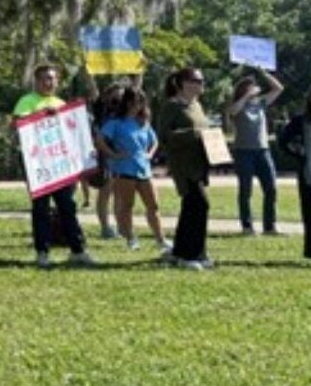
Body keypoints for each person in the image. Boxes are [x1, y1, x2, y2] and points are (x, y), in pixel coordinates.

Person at [12, 65, 96, 269]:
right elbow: (17, 124)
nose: (48, 83)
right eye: (44, 79)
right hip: (38, 166)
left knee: (67, 206)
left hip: (60, 166)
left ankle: (77, 250)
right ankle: (42, 251)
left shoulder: (61, 103)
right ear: (36, 81)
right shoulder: (27, 101)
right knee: (41, 209)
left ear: (57, 81)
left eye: (52, 79)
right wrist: (41, 114)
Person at [96, 87, 170, 253]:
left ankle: (161, 239)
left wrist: (150, 154)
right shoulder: (115, 122)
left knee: (154, 205)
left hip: (144, 169)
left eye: (141, 102)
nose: (138, 105)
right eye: (135, 101)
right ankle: (130, 238)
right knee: (127, 206)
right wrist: (113, 154)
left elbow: (155, 141)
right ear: (127, 102)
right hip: (124, 171)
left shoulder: (143, 122)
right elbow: (100, 140)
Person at [157, 67, 214, 270]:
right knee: (200, 205)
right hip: (183, 166)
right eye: (195, 80)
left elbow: (203, 130)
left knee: (191, 208)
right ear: (182, 83)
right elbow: (163, 136)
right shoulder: (171, 106)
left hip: (200, 164)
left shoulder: (197, 106)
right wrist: (193, 133)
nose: (199, 84)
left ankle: (180, 251)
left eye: (201, 81)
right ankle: (192, 255)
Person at [227, 69, 283, 236]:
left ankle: (270, 226)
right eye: (250, 87)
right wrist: (246, 97)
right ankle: (247, 226)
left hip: (263, 151)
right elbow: (233, 111)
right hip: (243, 152)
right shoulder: (238, 105)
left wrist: (264, 73)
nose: (254, 90)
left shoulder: (260, 103)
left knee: (271, 188)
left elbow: (278, 89)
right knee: (246, 190)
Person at [278, 82, 311, 265]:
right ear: (310, 98)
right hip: (309, 173)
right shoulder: (300, 121)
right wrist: (300, 153)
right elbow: (284, 141)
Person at [90, 83, 124, 239]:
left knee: (120, 193)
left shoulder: (126, 111)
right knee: (106, 190)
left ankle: (121, 226)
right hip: (105, 154)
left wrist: (140, 72)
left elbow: (137, 88)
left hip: (122, 155)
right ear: (107, 96)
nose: (118, 98)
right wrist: (89, 73)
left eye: (121, 95)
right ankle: (105, 227)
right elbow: (93, 89)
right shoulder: (101, 109)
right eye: (115, 95)